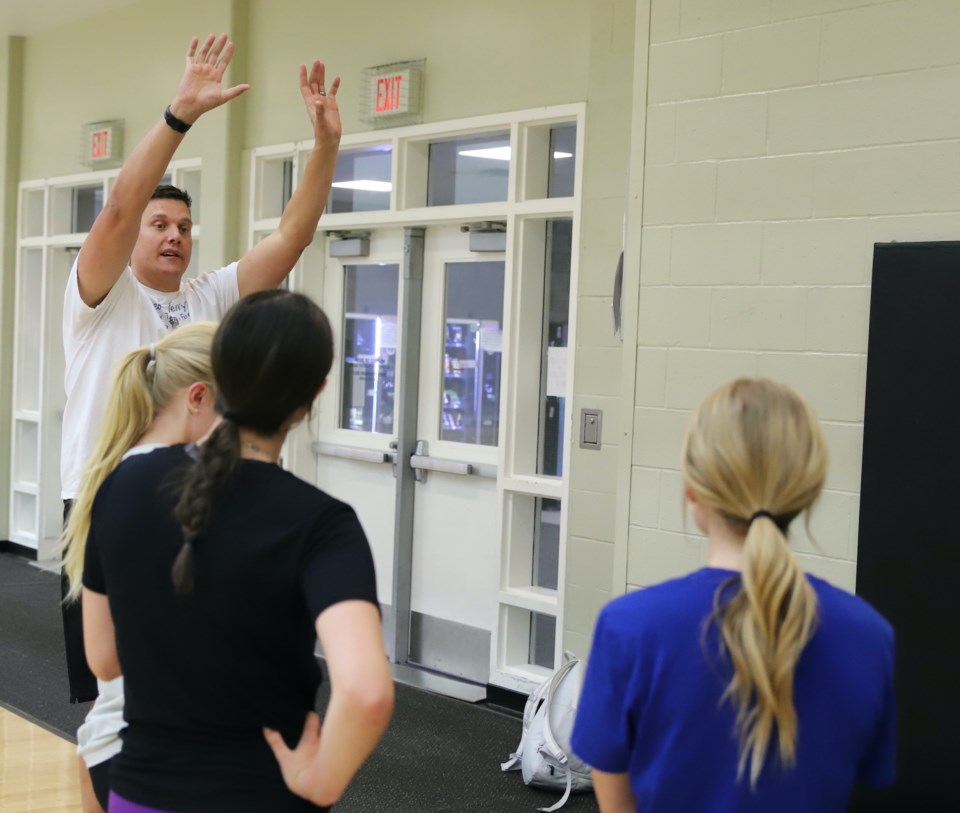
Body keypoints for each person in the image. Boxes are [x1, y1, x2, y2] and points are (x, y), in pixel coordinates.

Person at [60, 32, 341, 706]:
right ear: (133, 238)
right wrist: (179, 114)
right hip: (108, 501)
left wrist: (325, 148)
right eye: (160, 224)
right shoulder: (99, 295)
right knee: (112, 691)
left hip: (192, 501)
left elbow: (291, 237)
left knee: (188, 683)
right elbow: (119, 208)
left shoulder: (207, 296)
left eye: (184, 225)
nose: (173, 235)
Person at [82, 290, 394, 813]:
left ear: (219, 373)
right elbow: (366, 692)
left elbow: (105, 659)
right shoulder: (323, 524)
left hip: (141, 793)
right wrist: (321, 782)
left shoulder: (124, 484)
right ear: (314, 394)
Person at [571, 378, 895, 813]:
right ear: (808, 491)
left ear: (692, 490)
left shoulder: (630, 629)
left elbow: (615, 796)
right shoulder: (869, 636)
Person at [58, 322, 218, 812]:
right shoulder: (199, 491)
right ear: (197, 397)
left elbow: (102, 660)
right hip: (176, 756)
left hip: (111, 744)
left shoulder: (108, 483)